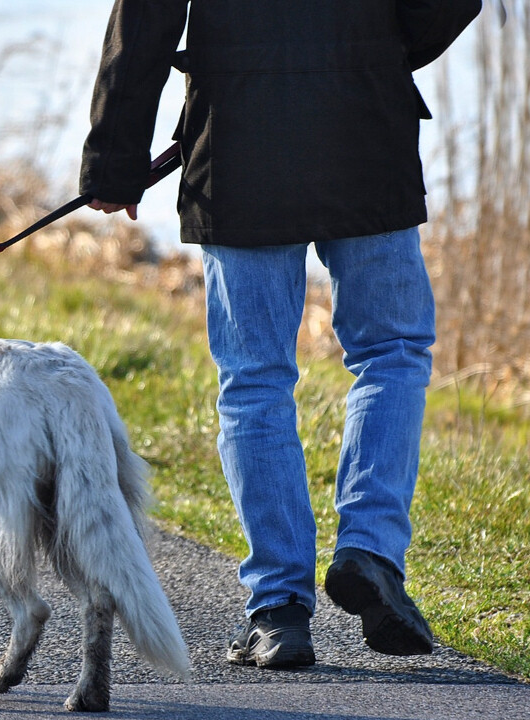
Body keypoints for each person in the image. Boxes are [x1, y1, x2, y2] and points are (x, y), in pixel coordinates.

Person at [80, 0, 482, 667]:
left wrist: (114, 160)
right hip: (364, 123)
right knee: (391, 353)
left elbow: (143, 18)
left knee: (255, 378)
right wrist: (375, 48)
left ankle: (278, 611)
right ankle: (371, 549)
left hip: (239, 142)